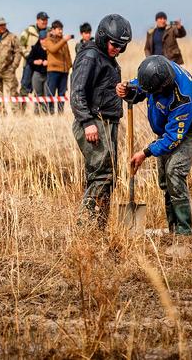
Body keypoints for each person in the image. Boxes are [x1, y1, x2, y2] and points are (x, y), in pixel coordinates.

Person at [117, 56, 192, 235]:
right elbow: (141, 85)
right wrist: (127, 90)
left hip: (189, 131)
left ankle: (184, 233)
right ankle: (172, 230)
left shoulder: (183, 97)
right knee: (164, 180)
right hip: (166, 130)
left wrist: (145, 152)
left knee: (174, 171)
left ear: (164, 86)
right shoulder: (157, 69)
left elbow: (173, 138)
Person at [70, 14, 132, 227]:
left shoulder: (107, 58)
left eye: (122, 47)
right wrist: (87, 122)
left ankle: (99, 227)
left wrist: (120, 90)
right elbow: (77, 92)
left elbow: (101, 89)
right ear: (103, 37)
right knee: (102, 174)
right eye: (115, 44)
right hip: (94, 123)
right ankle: (85, 227)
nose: (118, 49)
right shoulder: (90, 56)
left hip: (107, 122)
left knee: (109, 175)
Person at [41, 20, 72, 113]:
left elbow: (67, 54)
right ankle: (49, 112)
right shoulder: (48, 40)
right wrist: (64, 40)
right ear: (53, 30)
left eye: (61, 29)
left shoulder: (63, 40)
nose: (61, 31)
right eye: (59, 29)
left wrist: (70, 65)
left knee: (62, 93)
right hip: (53, 71)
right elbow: (53, 49)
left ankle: (60, 112)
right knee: (51, 92)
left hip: (64, 71)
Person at [18, 12, 49, 97]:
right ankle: (21, 109)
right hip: (29, 64)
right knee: (25, 87)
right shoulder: (28, 31)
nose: (45, 22)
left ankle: (40, 110)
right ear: (37, 20)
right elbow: (20, 45)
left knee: (41, 91)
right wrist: (28, 56)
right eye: (43, 20)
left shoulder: (49, 32)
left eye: (46, 20)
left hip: (44, 65)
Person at [26, 32, 48, 114]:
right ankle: (37, 112)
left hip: (47, 74)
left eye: (45, 39)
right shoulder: (35, 48)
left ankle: (46, 112)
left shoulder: (51, 48)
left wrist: (49, 62)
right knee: (38, 94)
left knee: (46, 94)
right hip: (37, 74)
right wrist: (35, 61)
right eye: (41, 39)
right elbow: (29, 60)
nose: (43, 41)